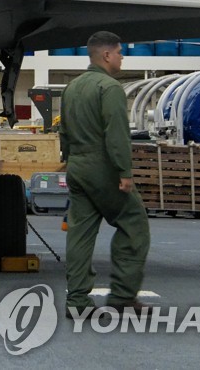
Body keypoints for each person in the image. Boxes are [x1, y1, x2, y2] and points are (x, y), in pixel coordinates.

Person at [59, 32, 150, 318]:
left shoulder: (71, 87)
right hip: (103, 167)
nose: (123, 57)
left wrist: (68, 159)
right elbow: (117, 133)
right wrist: (124, 172)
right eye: (120, 52)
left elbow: (63, 130)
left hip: (77, 165)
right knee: (134, 223)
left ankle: (77, 302)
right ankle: (123, 296)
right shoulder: (109, 88)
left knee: (80, 233)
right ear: (107, 55)